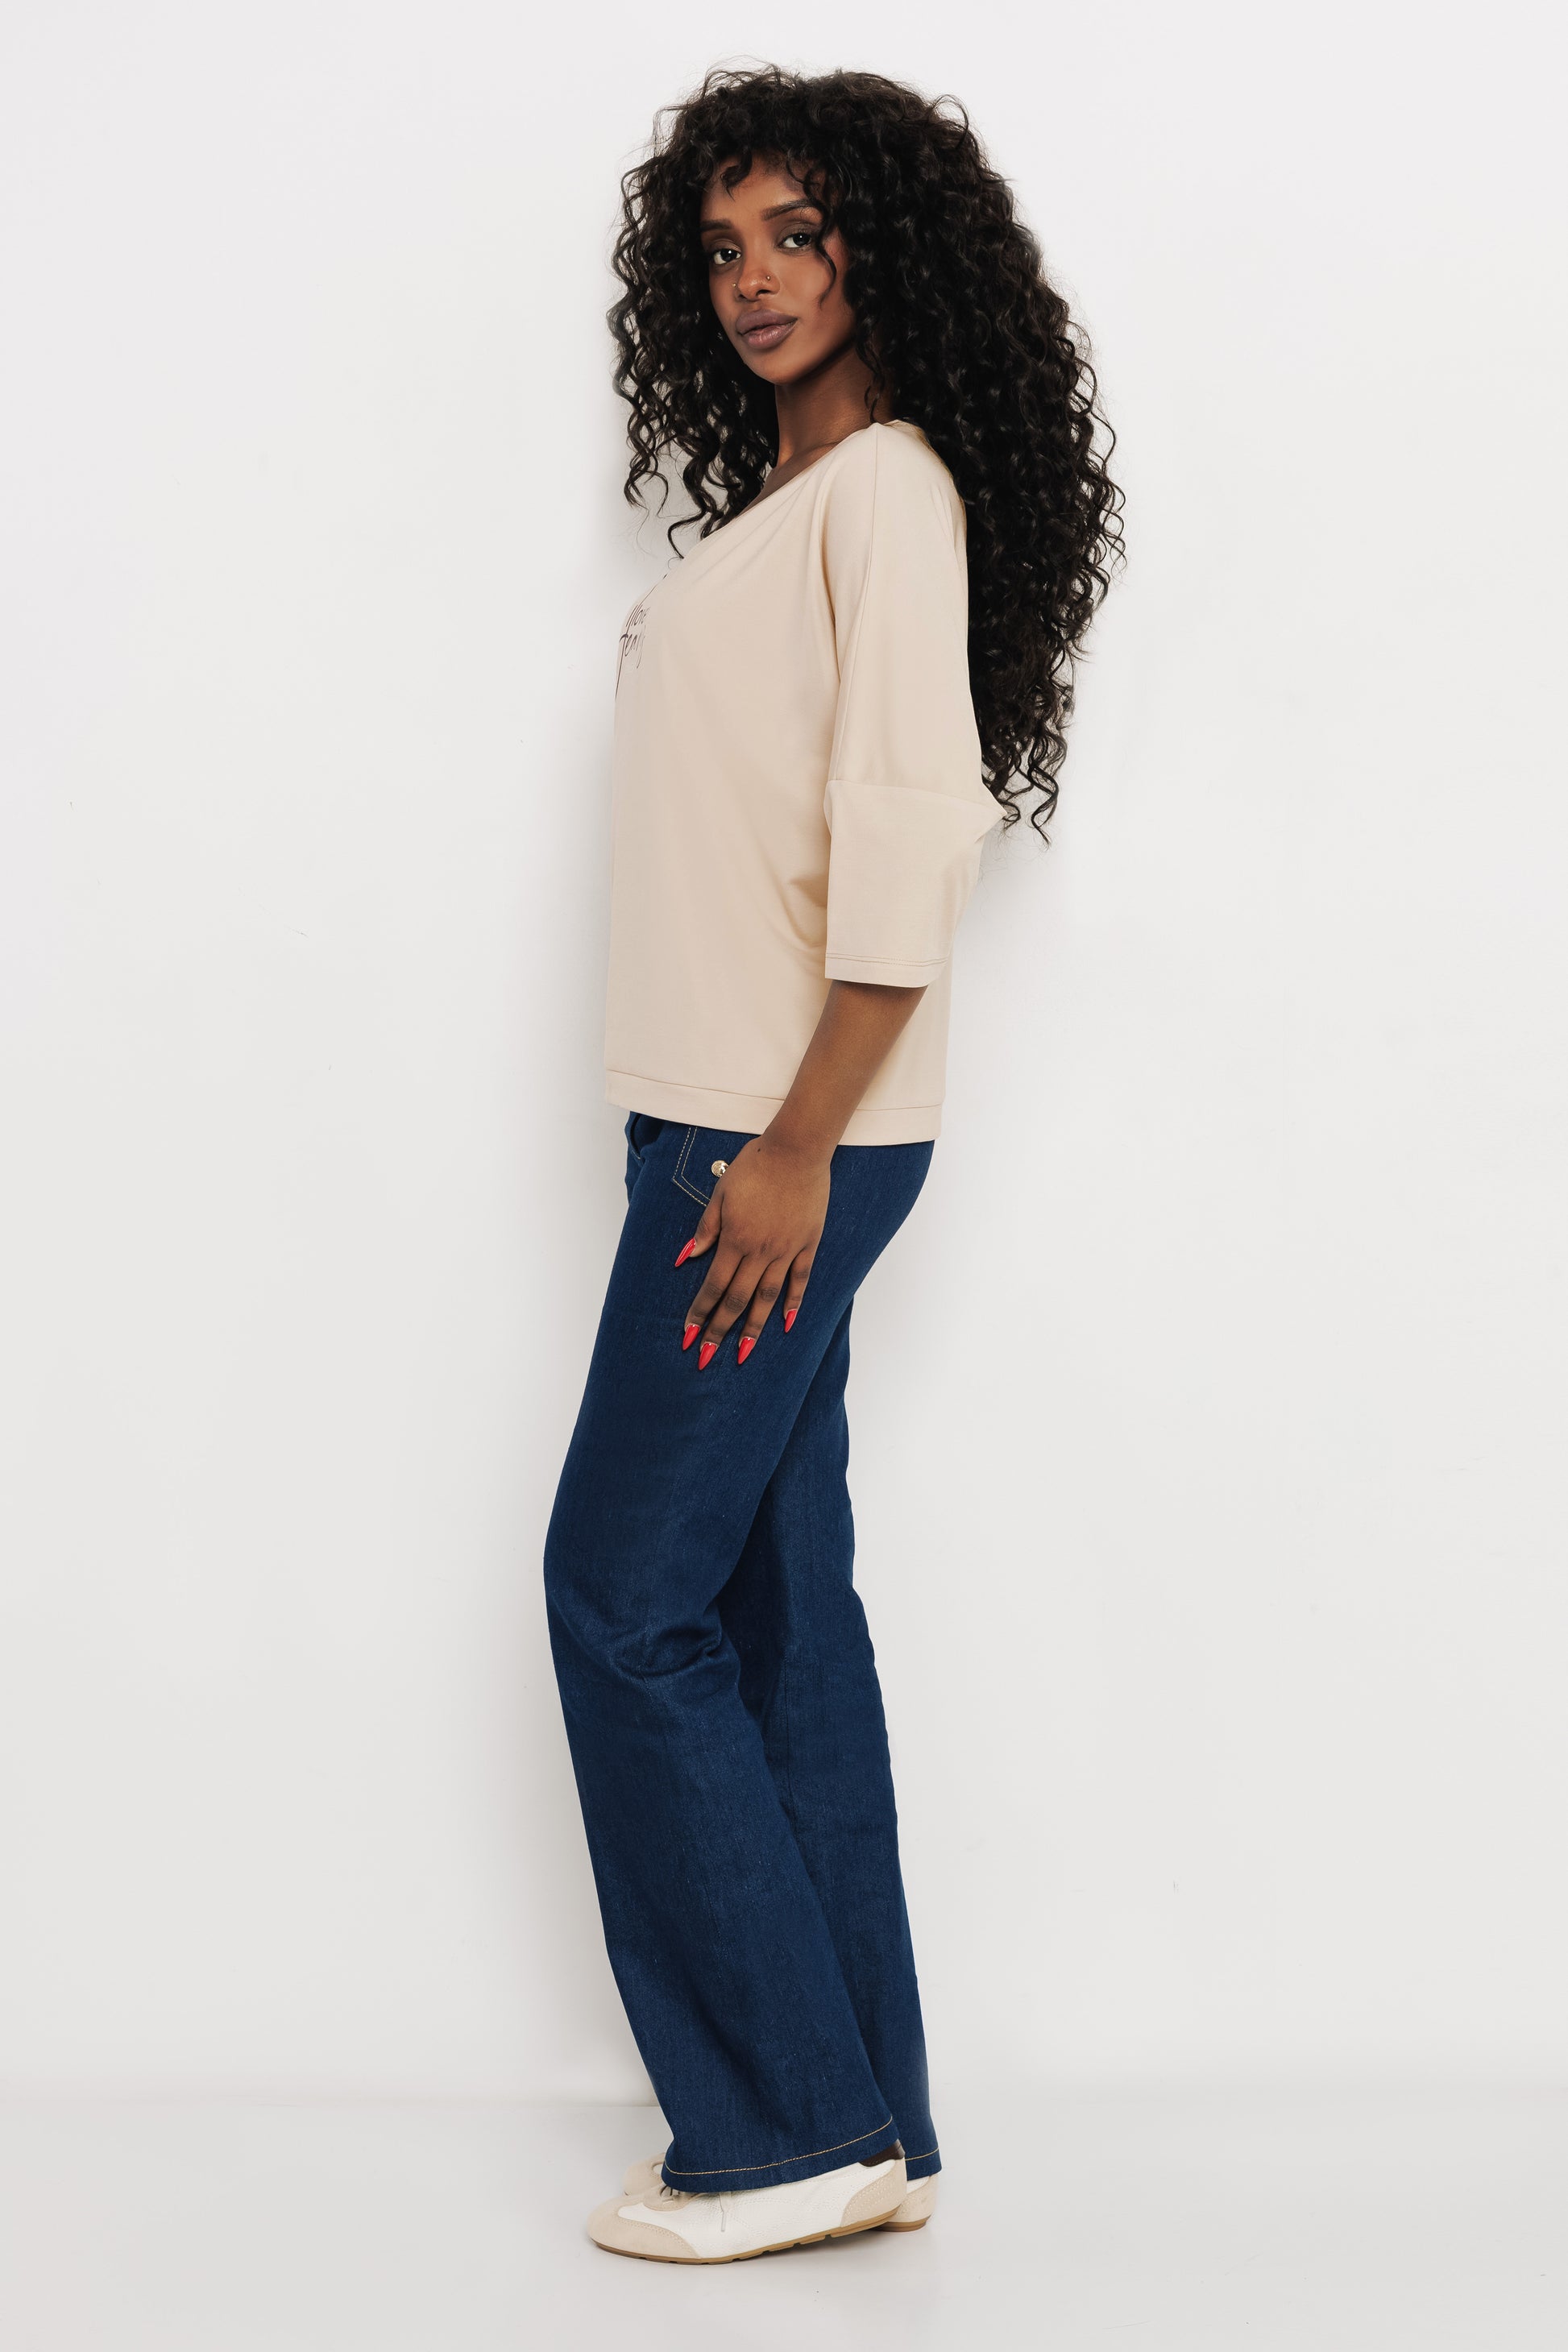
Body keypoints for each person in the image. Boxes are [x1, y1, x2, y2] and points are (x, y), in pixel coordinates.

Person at [543, 64, 1122, 2265]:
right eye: (722, 248)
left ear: (889, 244)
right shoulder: (790, 507)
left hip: (768, 1136)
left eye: (800, 232)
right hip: (743, 1120)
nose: (758, 278)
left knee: (619, 1599)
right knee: (775, 1609)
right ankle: (868, 2119)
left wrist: (786, 1149)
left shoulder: (884, 492)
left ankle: (780, 2133)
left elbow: (907, 843)